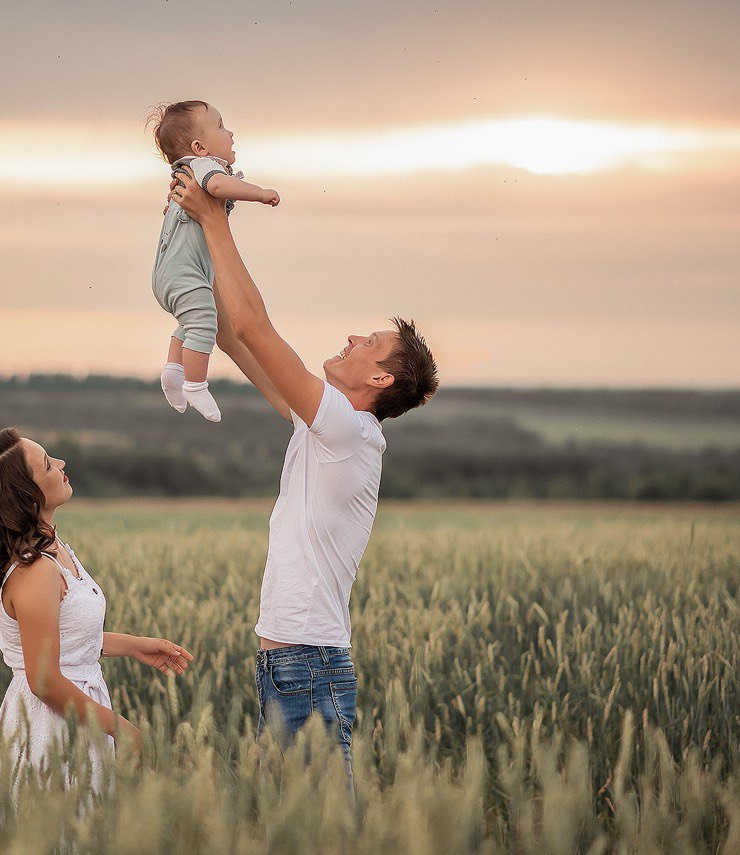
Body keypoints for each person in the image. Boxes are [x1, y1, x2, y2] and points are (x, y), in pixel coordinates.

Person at [169, 165, 439, 786]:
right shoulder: (326, 427)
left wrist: (215, 218)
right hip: (289, 662)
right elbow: (240, 340)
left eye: (367, 343)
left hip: (307, 664)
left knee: (314, 833)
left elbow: (257, 330)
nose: (351, 337)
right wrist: (196, 280)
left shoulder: (347, 431)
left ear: (380, 380)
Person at [0, 427, 194, 796]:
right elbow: (44, 680)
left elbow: (62, 640)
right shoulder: (35, 571)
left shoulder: (53, 549)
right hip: (53, 728)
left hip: (76, 716)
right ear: (28, 497)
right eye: (48, 465)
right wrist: (120, 726)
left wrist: (132, 646)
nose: (62, 463)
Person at [148, 100, 280, 422]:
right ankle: (195, 384)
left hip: (170, 272)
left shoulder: (185, 172)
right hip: (185, 271)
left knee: (190, 321)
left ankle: (173, 371)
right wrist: (259, 192)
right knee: (204, 320)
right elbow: (219, 185)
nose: (230, 132)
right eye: (221, 126)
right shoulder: (206, 167)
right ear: (199, 146)